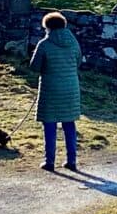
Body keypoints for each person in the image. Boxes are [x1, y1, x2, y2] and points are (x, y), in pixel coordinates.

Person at [30, 11, 82, 172]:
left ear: (47, 27)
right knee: (69, 124)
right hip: (71, 88)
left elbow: (35, 67)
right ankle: (71, 160)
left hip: (50, 88)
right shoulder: (73, 42)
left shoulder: (44, 44)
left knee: (50, 125)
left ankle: (49, 161)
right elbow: (78, 61)